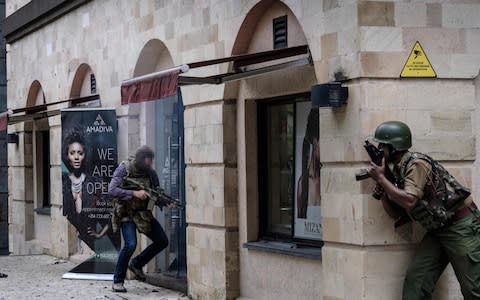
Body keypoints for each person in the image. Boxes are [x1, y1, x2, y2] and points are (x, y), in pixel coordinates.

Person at [367, 121, 480, 300]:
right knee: (416, 282)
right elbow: (396, 213)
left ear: (394, 147)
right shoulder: (398, 171)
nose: (380, 149)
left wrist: (381, 179)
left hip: (461, 227)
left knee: (474, 289)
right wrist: (382, 191)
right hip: (438, 229)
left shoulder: (417, 164)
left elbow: (410, 201)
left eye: (383, 145)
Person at [109, 145, 171, 293]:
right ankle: (117, 281)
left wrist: (166, 202)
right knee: (131, 244)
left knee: (162, 240)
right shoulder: (125, 168)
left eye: (151, 161)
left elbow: (156, 193)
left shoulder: (151, 173)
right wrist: (134, 194)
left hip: (143, 214)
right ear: (141, 159)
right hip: (126, 213)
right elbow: (112, 190)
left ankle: (136, 264)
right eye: (147, 161)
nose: (150, 165)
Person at [62, 130, 116, 251]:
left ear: (85, 155)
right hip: (80, 243)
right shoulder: (65, 183)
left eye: (80, 153)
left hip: (100, 246)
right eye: (72, 153)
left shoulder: (95, 182)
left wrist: (100, 233)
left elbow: (111, 211)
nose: (76, 157)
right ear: (67, 155)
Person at [297, 108, 321, 219]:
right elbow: (300, 219)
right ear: (314, 141)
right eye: (323, 141)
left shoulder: (327, 178)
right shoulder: (303, 182)